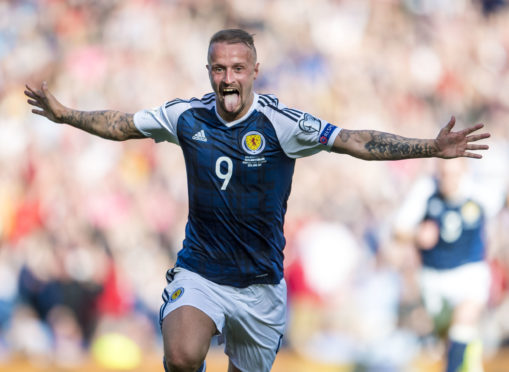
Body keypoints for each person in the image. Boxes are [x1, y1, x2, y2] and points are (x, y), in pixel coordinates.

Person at [25, 29, 490, 372]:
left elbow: (354, 140)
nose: (228, 78)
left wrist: (430, 146)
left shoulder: (281, 124)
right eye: (219, 69)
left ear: (254, 72)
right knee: (182, 355)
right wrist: (65, 115)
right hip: (201, 271)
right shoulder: (186, 116)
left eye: (238, 69)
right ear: (209, 72)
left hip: (261, 286)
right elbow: (123, 125)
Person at [394, 158, 491, 372]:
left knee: (464, 318)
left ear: (464, 172)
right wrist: (417, 234)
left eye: (453, 174)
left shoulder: (480, 191)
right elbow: (398, 231)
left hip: (469, 270)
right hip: (433, 276)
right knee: (451, 337)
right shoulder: (425, 190)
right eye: (443, 174)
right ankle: (469, 358)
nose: (448, 179)